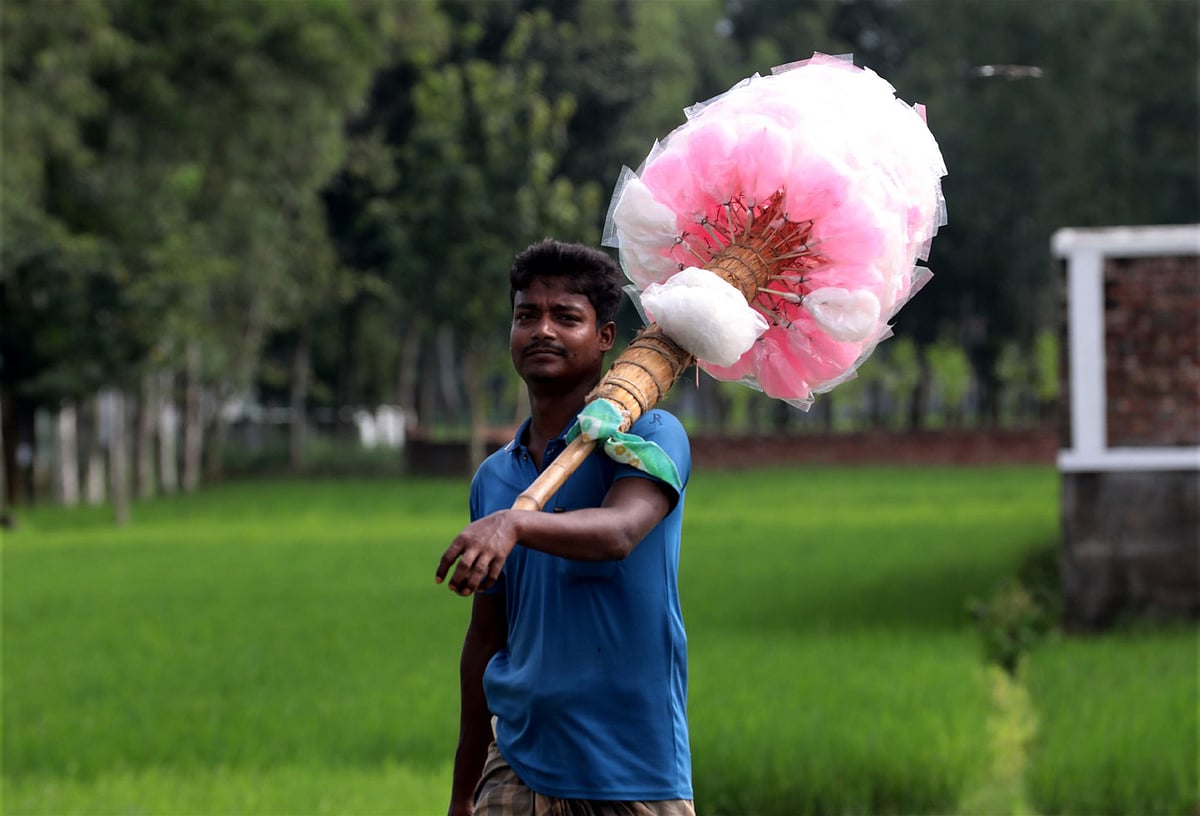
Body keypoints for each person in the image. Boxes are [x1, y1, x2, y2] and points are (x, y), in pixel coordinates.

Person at [436, 239, 694, 816]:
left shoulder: (650, 436)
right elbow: (486, 638)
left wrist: (516, 526)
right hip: (515, 766)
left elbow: (621, 532)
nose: (542, 330)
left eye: (565, 317)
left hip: (632, 772)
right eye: (527, 316)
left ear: (605, 337)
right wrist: (461, 792)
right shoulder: (495, 478)